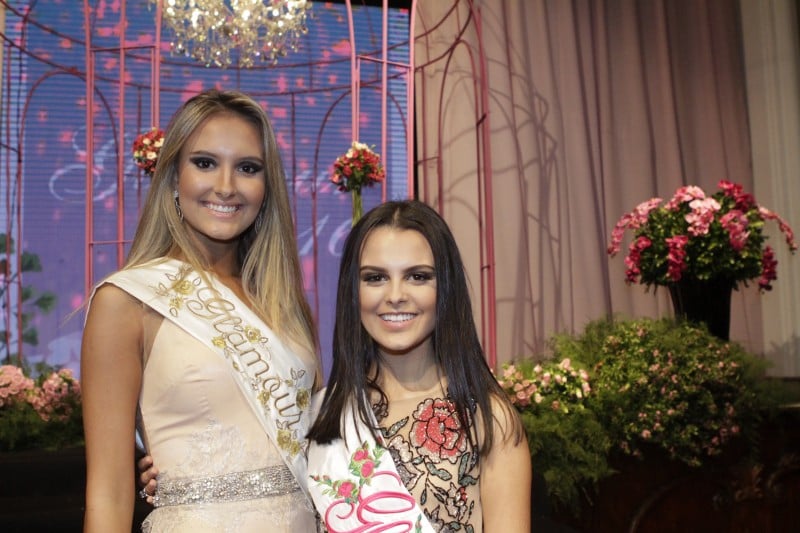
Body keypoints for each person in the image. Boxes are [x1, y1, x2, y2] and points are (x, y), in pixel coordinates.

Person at [81, 89, 320, 532]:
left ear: (267, 189)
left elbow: (319, 445)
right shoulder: (126, 300)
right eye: (205, 163)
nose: (226, 186)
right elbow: (108, 492)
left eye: (248, 168)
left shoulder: (284, 304)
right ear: (173, 176)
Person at [306, 200, 532, 532]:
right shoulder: (322, 414)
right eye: (375, 277)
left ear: (446, 288)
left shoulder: (487, 418)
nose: (395, 295)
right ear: (352, 291)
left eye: (417, 276)